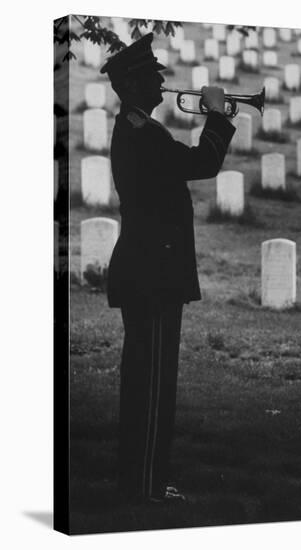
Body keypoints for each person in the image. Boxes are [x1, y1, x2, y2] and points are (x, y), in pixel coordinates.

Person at [100, 32, 236, 504]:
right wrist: (218, 113)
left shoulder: (140, 130)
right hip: (152, 274)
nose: (161, 83)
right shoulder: (142, 135)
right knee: (152, 384)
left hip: (149, 270)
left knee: (150, 381)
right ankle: (144, 488)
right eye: (152, 77)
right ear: (135, 85)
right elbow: (203, 162)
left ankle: (146, 481)